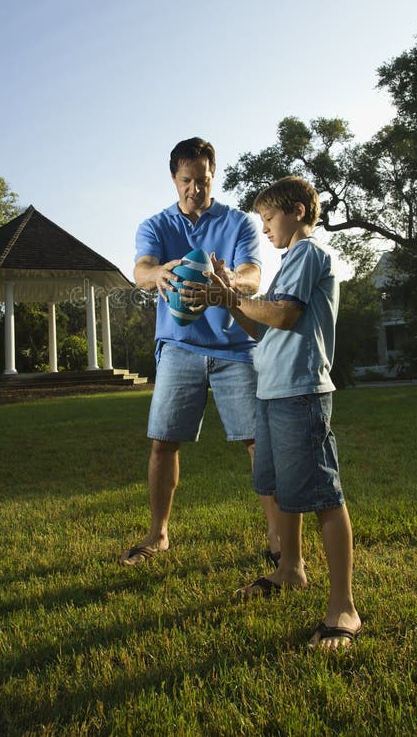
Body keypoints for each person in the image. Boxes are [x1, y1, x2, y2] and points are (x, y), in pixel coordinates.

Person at [192, 175, 362, 650]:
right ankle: (290, 569)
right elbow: (263, 330)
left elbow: (285, 314)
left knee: (323, 496)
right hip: (272, 393)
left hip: (301, 393)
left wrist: (234, 295)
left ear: (299, 212)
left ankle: (343, 607)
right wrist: (229, 300)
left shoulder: (310, 253)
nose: (263, 228)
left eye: (268, 218)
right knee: (280, 489)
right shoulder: (286, 265)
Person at [119, 137, 282, 566]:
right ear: (175, 179)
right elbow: (139, 270)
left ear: (213, 177)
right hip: (178, 346)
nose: (196, 189)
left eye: (204, 181)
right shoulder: (155, 225)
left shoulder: (240, 223)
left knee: (256, 441)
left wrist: (229, 284)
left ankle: (278, 536)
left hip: (235, 347)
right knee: (162, 443)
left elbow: (253, 274)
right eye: (187, 181)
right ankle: (157, 535)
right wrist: (157, 274)